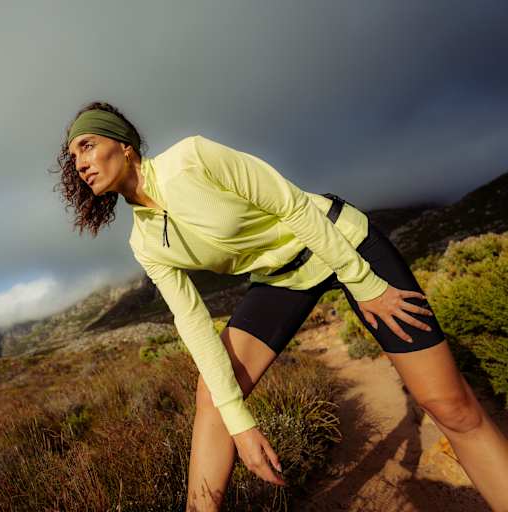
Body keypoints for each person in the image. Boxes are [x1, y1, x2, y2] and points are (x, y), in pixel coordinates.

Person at [52, 101, 508, 511]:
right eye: (74, 156)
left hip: (339, 241)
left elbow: (292, 205)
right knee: (215, 394)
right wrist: (241, 425)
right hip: (281, 279)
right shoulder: (145, 240)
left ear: (125, 146)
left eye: (88, 146)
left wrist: (365, 283)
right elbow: (191, 322)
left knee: (449, 406)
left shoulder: (192, 158)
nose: (81, 163)